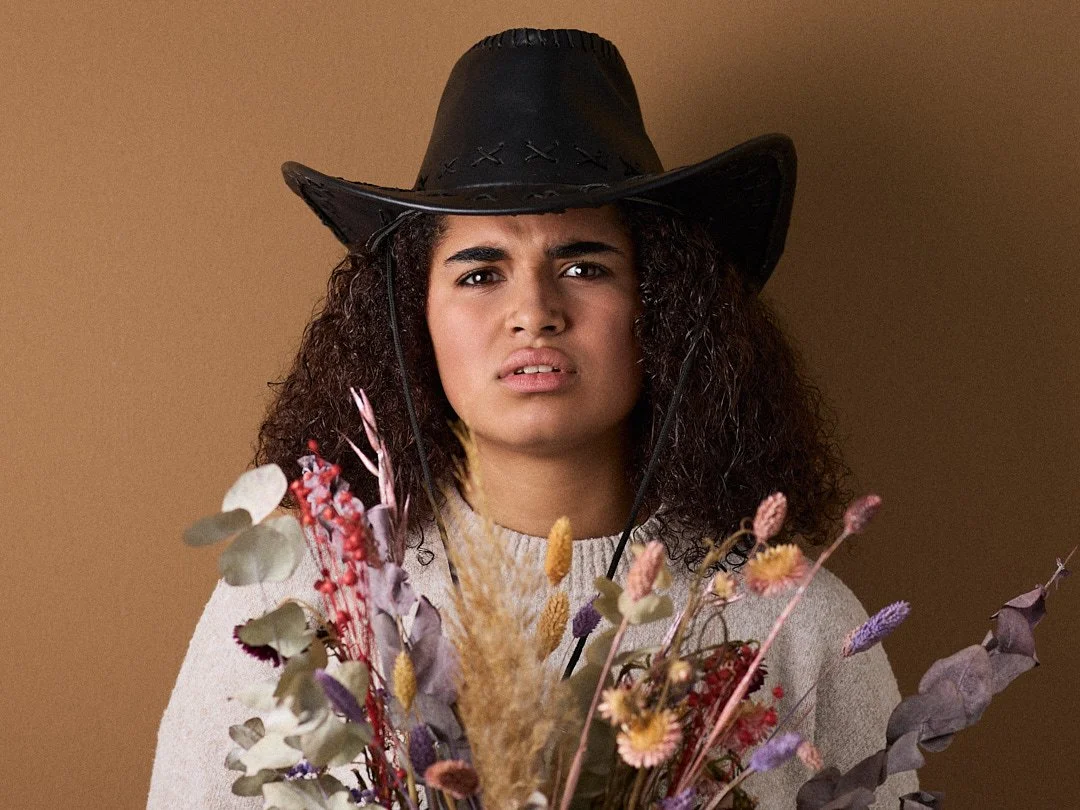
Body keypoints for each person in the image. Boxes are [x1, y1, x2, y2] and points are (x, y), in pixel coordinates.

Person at [149, 27, 919, 809]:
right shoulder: (300, 603)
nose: (534, 312)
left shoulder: (799, 622)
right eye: (481, 272)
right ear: (412, 318)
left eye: (584, 266)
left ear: (664, 305)